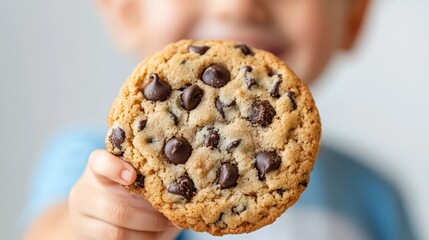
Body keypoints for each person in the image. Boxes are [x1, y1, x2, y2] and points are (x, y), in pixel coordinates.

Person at [21, 0, 417, 239]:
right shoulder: (92, 165)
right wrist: (92, 225)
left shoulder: (375, 194)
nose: (239, 4)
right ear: (126, 11)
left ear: (353, 15)